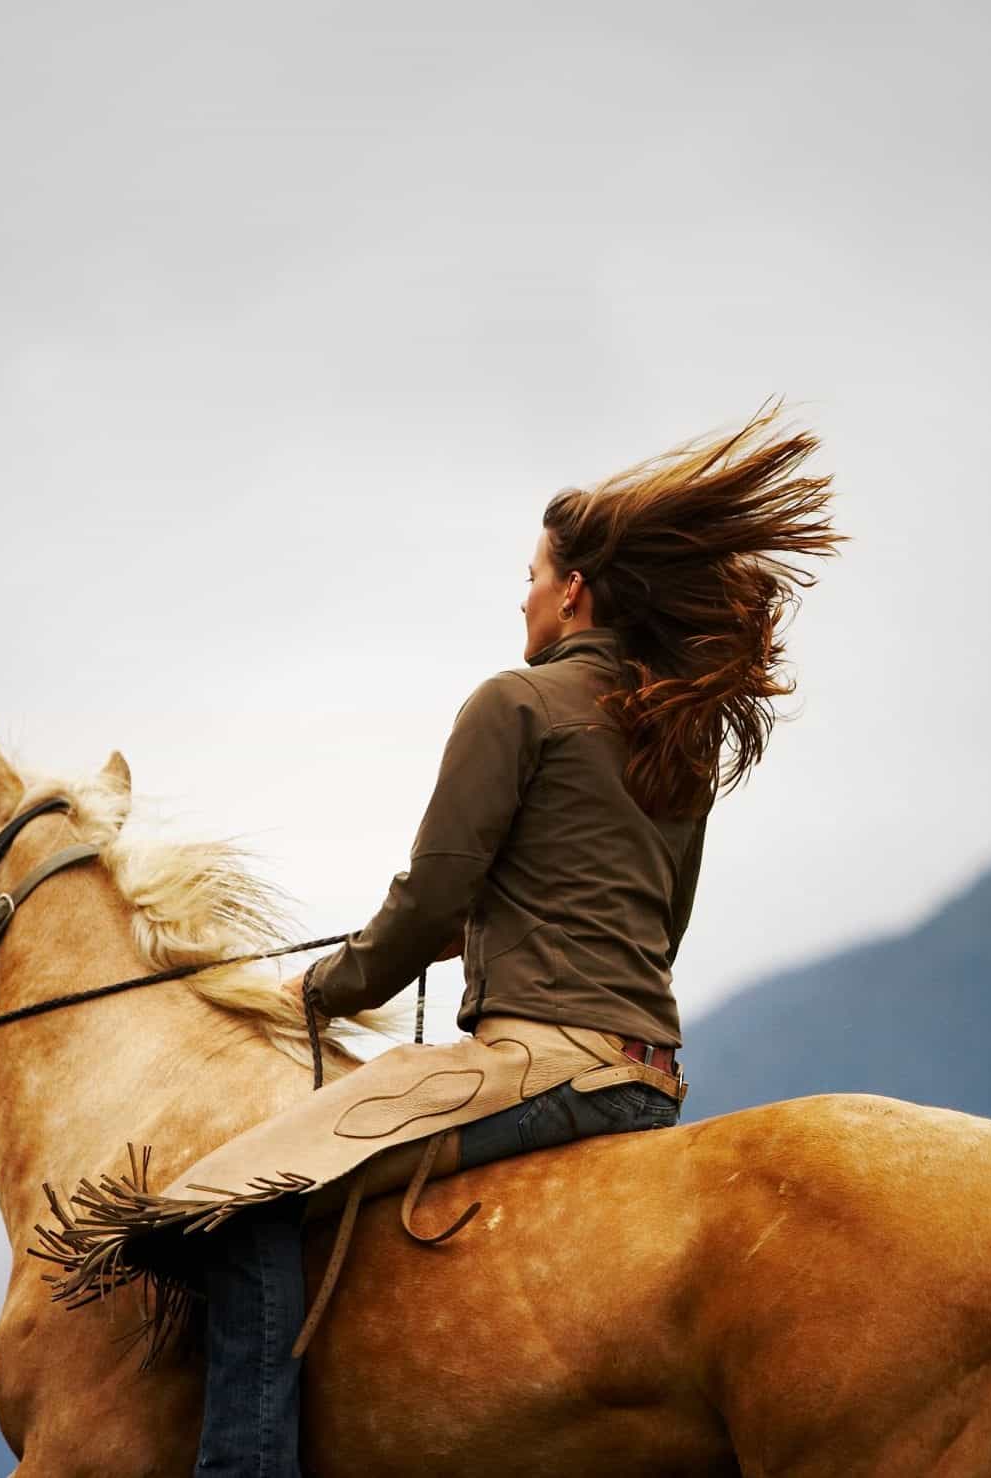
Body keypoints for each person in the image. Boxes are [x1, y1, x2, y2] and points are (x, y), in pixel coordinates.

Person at [193, 404, 842, 1476]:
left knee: (238, 1197)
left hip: (535, 1064)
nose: (524, 596)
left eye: (531, 575)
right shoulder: (668, 730)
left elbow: (433, 903)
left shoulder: (515, 701)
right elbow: (659, 921)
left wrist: (325, 988)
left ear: (574, 591)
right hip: (651, 1073)